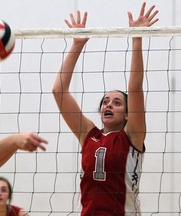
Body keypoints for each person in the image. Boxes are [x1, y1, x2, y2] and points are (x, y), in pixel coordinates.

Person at [52, 2, 158, 215]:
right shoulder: (89, 135)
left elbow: (134, 87)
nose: (109, 104)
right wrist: (77, 44)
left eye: (117, 102)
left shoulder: (132, 137)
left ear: (127, 114)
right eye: (105, 101)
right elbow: (59, 92)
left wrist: (136, 38)